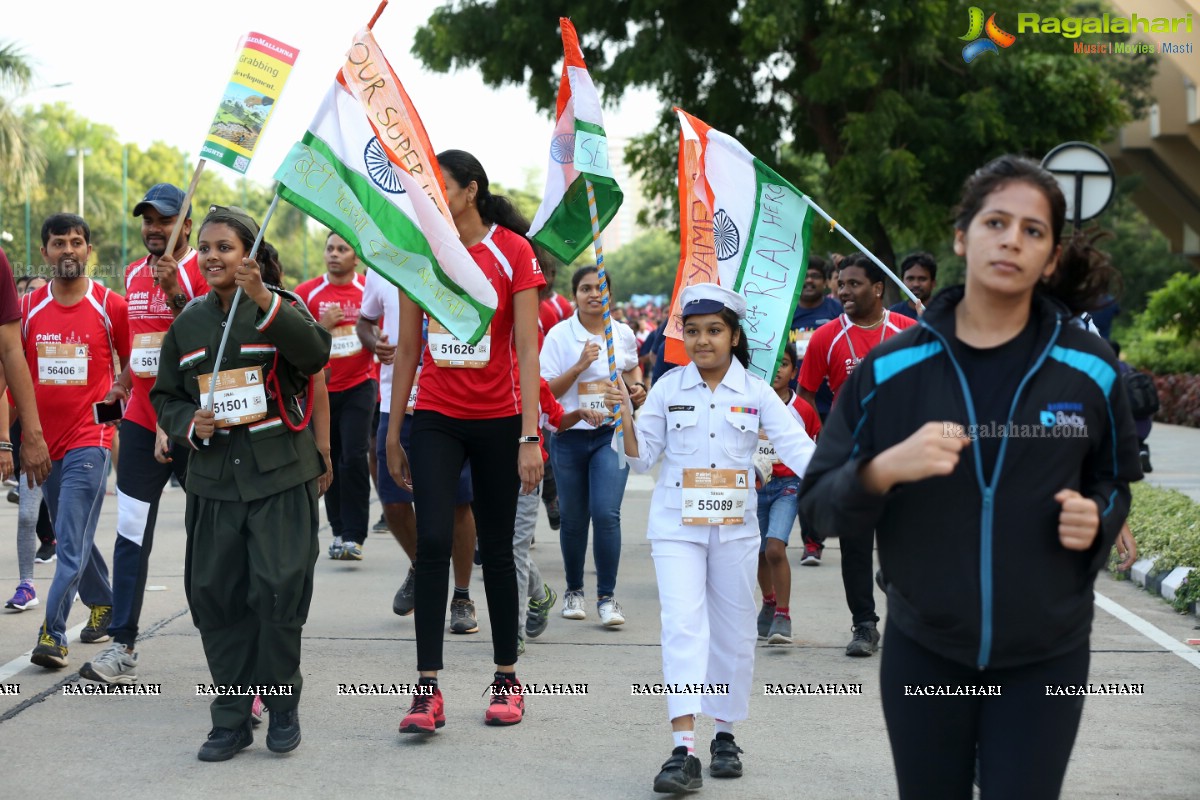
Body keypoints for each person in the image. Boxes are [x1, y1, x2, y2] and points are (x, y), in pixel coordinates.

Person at [798, 155, 1141, 799]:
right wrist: (882, 470)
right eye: (996, 221)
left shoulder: (1089, 369)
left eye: (1033, 230)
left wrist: (1098, 516)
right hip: (926, 651)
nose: (1012, 238)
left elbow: (1116, 479)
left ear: (1051, 255)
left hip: (1046, 656)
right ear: (963, 236)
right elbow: (817, 508)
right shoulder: (893, 370)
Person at [606, 283, 815, 793]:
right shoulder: (668, 387)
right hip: (677, 526)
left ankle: (724, 734)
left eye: (714, 331)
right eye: (694, 332)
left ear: (734, 336)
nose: (703, 341)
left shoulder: (758, 393)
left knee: (734, 631)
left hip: (736, 529)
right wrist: (626, 416)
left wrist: (859, 482)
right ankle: (684, 749)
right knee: (683, 627)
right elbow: (640, 458)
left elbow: (804, 451)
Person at [151, 205, 331, 761]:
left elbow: (316, 352)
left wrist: (263, 300)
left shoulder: (283, 308)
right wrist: (187, 424)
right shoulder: (189, 324)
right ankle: (229, 719)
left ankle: (280, 706)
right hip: (212, 481)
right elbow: (166, 395)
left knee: (278, 593)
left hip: (278, 478)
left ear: (248, 255)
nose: (211, 258)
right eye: (204, 248)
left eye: (224, 248)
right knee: (215, 597)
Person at [386, 150, 544, 732]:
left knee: (497, 552)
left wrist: (530, 434)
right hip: (436, 415)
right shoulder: (417, 253)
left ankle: (507, 678)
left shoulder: (513, 252)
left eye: (440, 189)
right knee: (431, 542)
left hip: (500, 420)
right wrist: (395, 430)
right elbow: (408, 348)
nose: (430, 200)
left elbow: (526, 349)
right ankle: (426, 690)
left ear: (470, 191)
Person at [76, 184, 208, 685]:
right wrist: (124, 383)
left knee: (211, 538)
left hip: (196, 425)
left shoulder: (203, 269)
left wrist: (175, 289)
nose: (154, 228)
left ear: (186, 226)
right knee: (131, 532)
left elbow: (203, 342)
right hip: (140, 423)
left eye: (165, 219)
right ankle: (122, 644)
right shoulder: (132, 274)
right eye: (148, 220)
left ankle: (226, 644)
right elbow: (142, 349)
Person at [797, 252, 916, 657]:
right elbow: (806, 398)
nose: (844, 291)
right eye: (840, 284)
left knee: (913, 539)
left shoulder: (910, 332)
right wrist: (813, 445)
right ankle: (864, 625)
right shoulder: (825, 337)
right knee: (855, 546)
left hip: (905, 456)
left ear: (878, 288)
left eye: (854, 284)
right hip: (850, 460)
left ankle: (903, 596)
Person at [22, 214, 127, 668]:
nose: (69, 250)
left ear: (89, 252)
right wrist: (18, 442)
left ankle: (53, 632)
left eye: (77, 242)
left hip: (92, 438)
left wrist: (115, 409)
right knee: (74, 532)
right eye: (59, 243)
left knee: (68, 536)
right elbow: (12, 377)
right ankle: (105, 600)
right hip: (43, 446)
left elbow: (135, 369)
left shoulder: (110, 305)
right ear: (44, 253)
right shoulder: (26, 310)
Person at [356, 268, 479, 625]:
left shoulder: (455, 263)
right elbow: (365, 323)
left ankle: (461, 597)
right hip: (396, 405)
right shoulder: (382, 266)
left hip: (449, 404)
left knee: (458, 504)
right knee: (393, 502)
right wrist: (373, 341)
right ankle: (420, 566)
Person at [540, 265, 646, 625]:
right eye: (585, 288)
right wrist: (579, 366)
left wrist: (637, 389)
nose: (593, 294)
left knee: (606, 514)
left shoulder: (622, 334)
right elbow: (546, 393)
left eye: (600, 288)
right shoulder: (558, 336)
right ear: (575, 295)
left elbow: (632, 370)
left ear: (610, 295)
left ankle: (607, 597)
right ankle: (573, 591)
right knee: (572, 519)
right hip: (569, 436)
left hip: (610, 436)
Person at [295, 233, 376, 561]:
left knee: (353, 458)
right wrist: (321, 327)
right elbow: (296, 339)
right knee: (328, 459)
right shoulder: (307, 293)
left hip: (360, 385)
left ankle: (355, 536)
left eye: (343, 249)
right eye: (330, 248)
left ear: (356, 258)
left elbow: (379, 332)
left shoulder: (368, 290)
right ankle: (339, 531)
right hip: (322, 389)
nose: (334, 254)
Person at [514, 379, 604, 653]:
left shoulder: (532, 380)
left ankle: (511, 632)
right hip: (484, 473)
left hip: (526, 476)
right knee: (498, 550)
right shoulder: (475, 374)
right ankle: (541, 594)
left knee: (515, 550)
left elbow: (555, 420)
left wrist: (577, 414)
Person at [753, 343, 821, 645]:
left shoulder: (803, 410)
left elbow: (812, 449)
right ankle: (767, 601)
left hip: (788, 487)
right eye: (773, 363)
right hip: (755, 487)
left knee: (775, 549)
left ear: (794, 370)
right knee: (758, 553)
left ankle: (783, 614)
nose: (778, 369)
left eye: (785, 363)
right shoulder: (750, 403)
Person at [1, 250, 53, 611]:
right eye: (23, 292)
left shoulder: (98, 306)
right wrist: (7, 440)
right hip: (31, 433)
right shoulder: (20, 327)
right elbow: (7, 387)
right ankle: (26, 585)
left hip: (80, 438)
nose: (27, 297)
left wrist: (107, 417)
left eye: (34, 289)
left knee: (73, 518)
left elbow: (115, 373)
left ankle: (82, 579)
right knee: (27, 515)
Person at [787, 256, 842, 566]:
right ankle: (812, 541)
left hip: (833, 408)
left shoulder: (834, 312)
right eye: (804, 276)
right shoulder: (788, 314)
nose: (809, 281)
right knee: (804, 472)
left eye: (815, 277)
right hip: (797, 407)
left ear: (825, 281)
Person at [888, 252, 937, 320]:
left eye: (922, 279)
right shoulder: (893, 315)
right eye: (910, 279)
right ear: (902, 282)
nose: (916, 284)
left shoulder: (947, 312)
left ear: (933, 283)